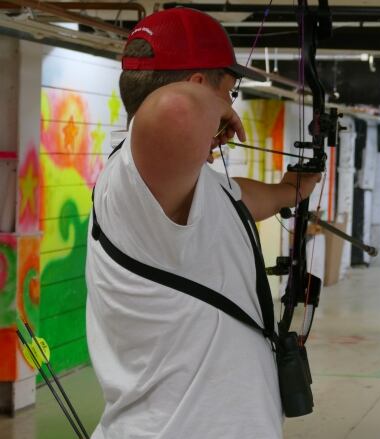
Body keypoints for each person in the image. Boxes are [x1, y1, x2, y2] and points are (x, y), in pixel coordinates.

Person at [85, 7, 320, 439]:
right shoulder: (133, 185)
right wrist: (210, 105)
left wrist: (293, 190)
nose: (229, 105)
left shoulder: (184, 190)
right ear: (197, 84)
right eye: (228, 91)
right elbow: (176, 108)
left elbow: (242, 199)